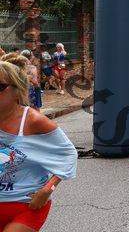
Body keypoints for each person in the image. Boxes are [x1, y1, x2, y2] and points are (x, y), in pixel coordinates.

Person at [0, 56, 77, 231]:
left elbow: (68, 154)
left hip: (27, 205)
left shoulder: (33, 121)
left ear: (17, 90)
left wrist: (47, 189)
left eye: (0, 87)